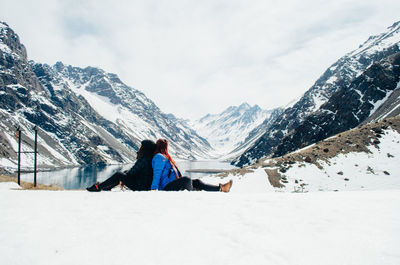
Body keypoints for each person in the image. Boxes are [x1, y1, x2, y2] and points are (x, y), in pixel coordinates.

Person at [151, 138, 233, 192]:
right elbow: (157, 173)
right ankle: (192, 195)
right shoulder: (159, 157)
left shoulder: (165, 157)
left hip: (172, 184)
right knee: (186, 179)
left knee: (197, 181)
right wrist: (154, 188)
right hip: (166, 187)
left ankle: (221, 188)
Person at [86, 140, 156, 192]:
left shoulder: (143, 159)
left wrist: (124, 176)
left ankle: (98, 187)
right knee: (122, 174)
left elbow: (132, 173)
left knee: (119, 174)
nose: (140, 148)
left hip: (140, 187)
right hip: (145, 185)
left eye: (141, 146)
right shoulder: (150, 158)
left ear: (145, 148)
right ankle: (107, 187)